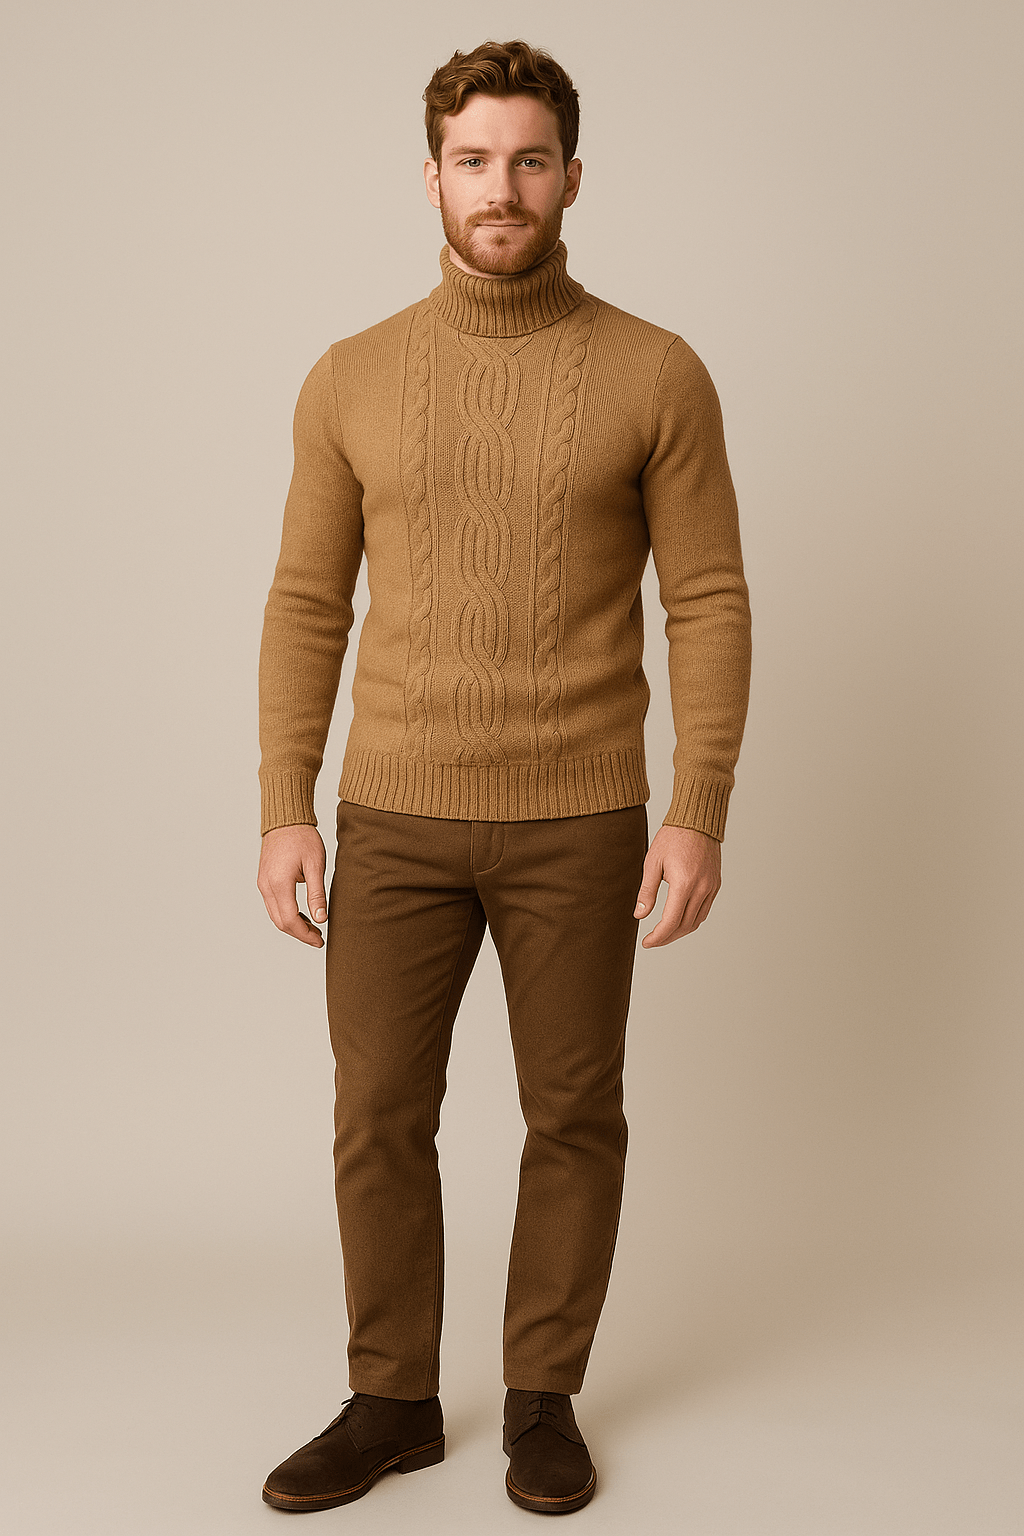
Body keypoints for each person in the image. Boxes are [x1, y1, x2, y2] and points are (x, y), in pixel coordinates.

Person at [256, 38, 751, 1517]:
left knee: (573, 1113)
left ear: (573, 178)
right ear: (432, 179)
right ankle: (392, 1400)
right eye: (474, 161)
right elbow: (307, 602)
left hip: (582, 814)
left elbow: (707, 599)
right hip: (394, 812)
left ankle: (544, 1397)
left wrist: (697, 809)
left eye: (530, 160)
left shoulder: (656, 372)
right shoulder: (350, 377)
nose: (502, 188)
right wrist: (285, 803)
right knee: (376, 1113)